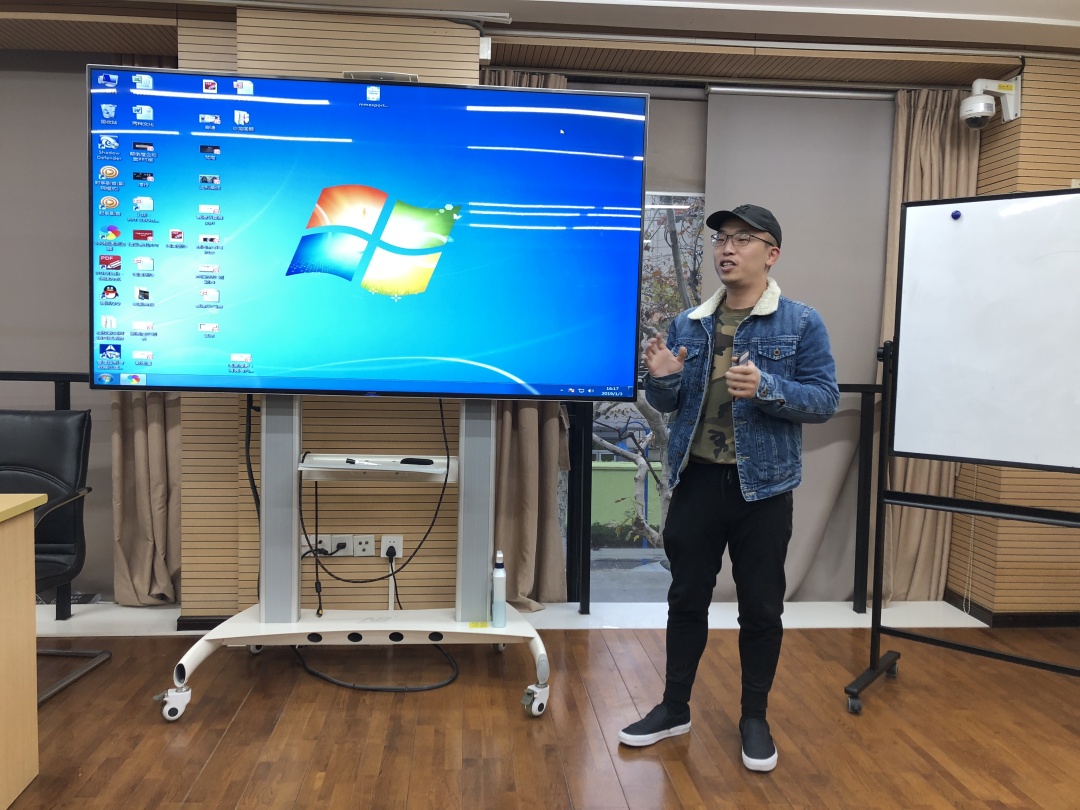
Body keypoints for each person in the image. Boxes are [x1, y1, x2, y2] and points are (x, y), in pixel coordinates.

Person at [618, 204, 839, 772]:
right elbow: (670, 402)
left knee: (761, 607)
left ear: (772, 254)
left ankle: (754, 717)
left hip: (762, 490)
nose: (727, 248)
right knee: (686, 599)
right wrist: (661, 380)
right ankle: (674, 708)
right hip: (696, 482)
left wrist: (767, 386)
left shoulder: (801, 322)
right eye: (721, 238)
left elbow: (824, 401)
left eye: (743, 239)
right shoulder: (688, 324)